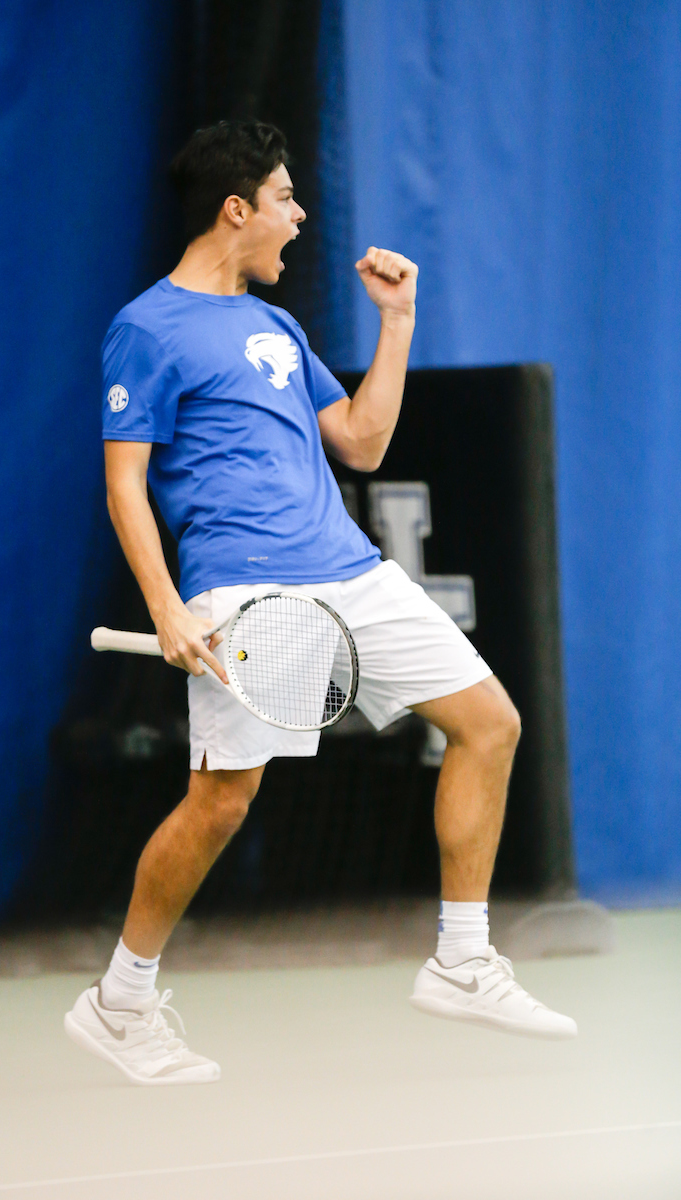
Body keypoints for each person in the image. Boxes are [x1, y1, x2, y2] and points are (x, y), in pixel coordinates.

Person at [64, 119, 577, 1085]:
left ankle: (462, 960)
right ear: (237, 209)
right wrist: (167, 605)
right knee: (222, 801)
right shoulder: (146, 328)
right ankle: (120, 1001)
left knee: (490, 723)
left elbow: (364, 443)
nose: (299, 217)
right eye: (285, 198)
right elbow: (124, 480)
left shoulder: (278, 326)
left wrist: (398, 321)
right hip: (243, 584)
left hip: (352, 571)